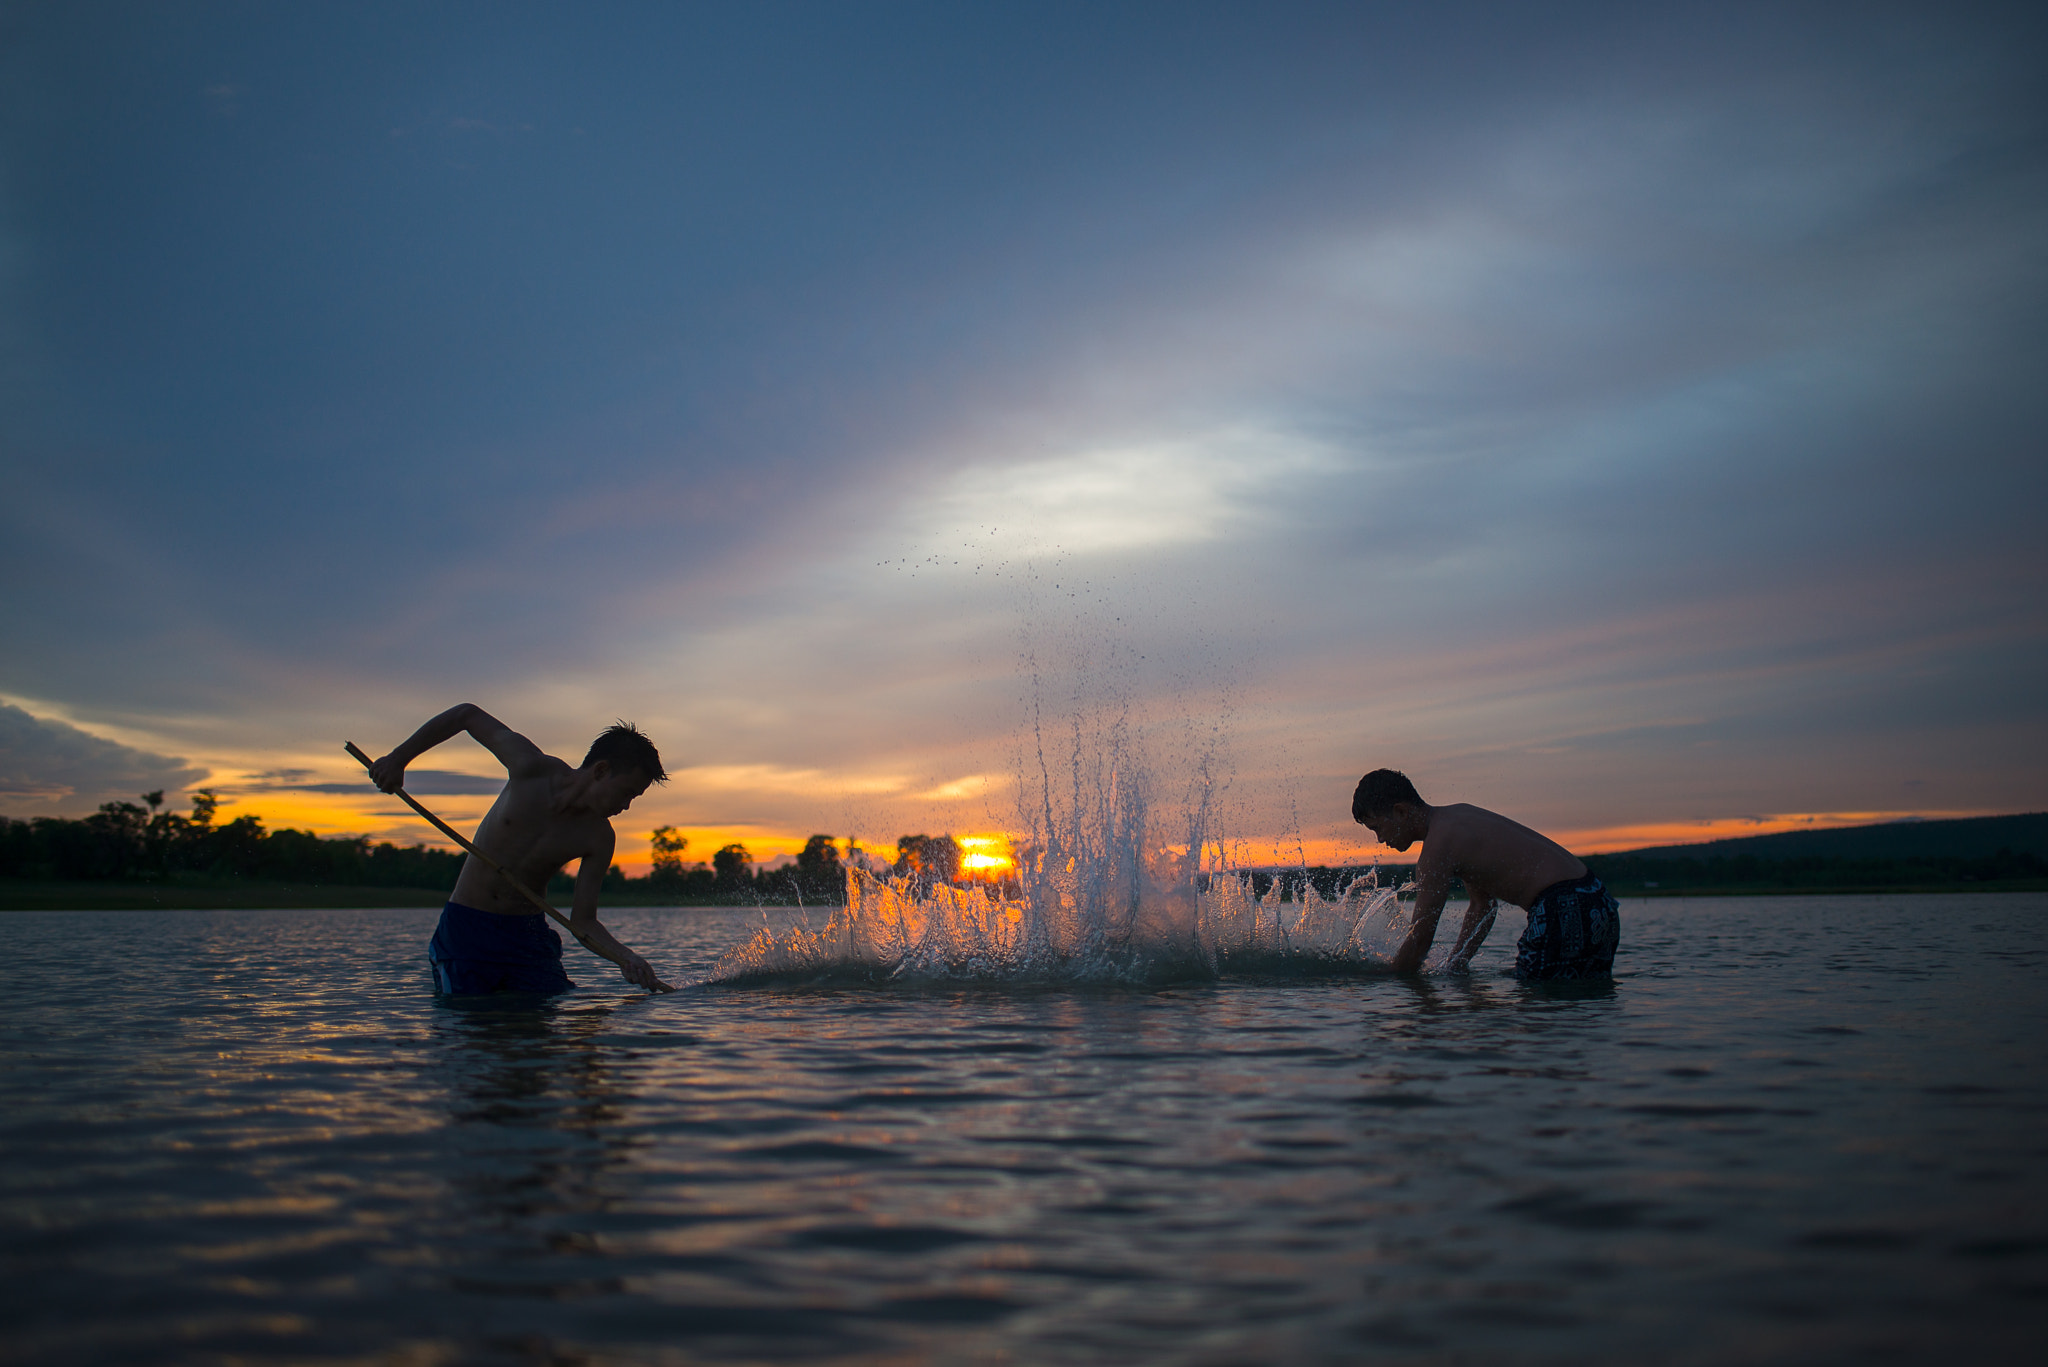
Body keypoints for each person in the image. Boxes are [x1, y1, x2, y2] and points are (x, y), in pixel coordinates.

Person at [370, 704, 672, 994]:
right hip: (468, 929)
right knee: (470, 1031)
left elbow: (583, 921)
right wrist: (398, 759)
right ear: (601, 770)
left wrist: (626, 957)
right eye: (626, 792)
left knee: (544, 1033)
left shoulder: (599, 838)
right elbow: (466, 714)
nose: (627, 805)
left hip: (527, 937)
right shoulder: (531, 768)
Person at [1351, 768, 1618, 979]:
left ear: (1401, 811)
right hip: (1597, 899)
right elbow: (1482, 906)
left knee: (1540, 1013)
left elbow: (1420, 938)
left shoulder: (1436, 850)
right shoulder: (1457, 818)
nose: (1379, 840)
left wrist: (1389, 976)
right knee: (1579, 1004)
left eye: (1377, 828)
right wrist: (1457, 962)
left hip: (1562, 907)